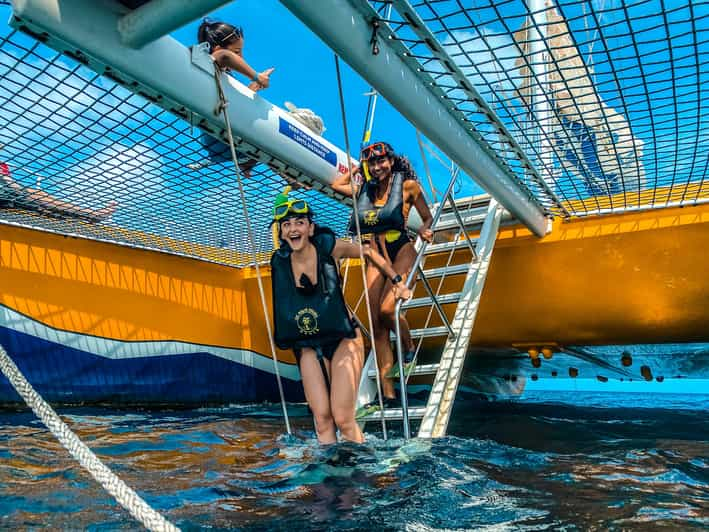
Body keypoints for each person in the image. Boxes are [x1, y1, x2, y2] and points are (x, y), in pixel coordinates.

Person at [270, 187, 411, 444]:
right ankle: (328, 476)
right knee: (322, 419)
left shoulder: (328, 246)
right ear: (280, 232)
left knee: (343, 418)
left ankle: (363, 473)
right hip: (309, 344)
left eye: (300, 223)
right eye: (287, 224)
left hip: (344, 336)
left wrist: (397, 282)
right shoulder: (279, 262)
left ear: (310, 229)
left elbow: (368, 253)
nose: (293, 229)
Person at [330, 141, 434, 410]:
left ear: (391, 160)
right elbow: (335, 186)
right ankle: (388, 396)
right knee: (376, 328)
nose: (377, 167)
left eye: (381, 161)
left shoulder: (409, 187)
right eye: (372, 163)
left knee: (389, 310)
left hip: (401, 248)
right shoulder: (364, 189)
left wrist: (424, 229)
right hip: (375, 255)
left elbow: (428, 217)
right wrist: (355, 168)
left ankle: (409, 347)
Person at [188, 19, 273, 175]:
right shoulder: (205, 61)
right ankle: (290, 177)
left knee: (268, 140)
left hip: (219, 146)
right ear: (217, 47)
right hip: (219, 139)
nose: (241, 56)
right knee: (272, 136)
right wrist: (257, 77)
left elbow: (231, 107)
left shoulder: (224, 78)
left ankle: (247, 163)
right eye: (237, 52)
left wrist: (251, 90)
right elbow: (223, 56)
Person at [0, 162, 117, 222]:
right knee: (36, 197)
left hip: (7, 197)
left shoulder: (2, 165)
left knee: (40, 201)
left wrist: (24, 193)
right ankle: (91, 215)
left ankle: (87, 217)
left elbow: (13, 185)